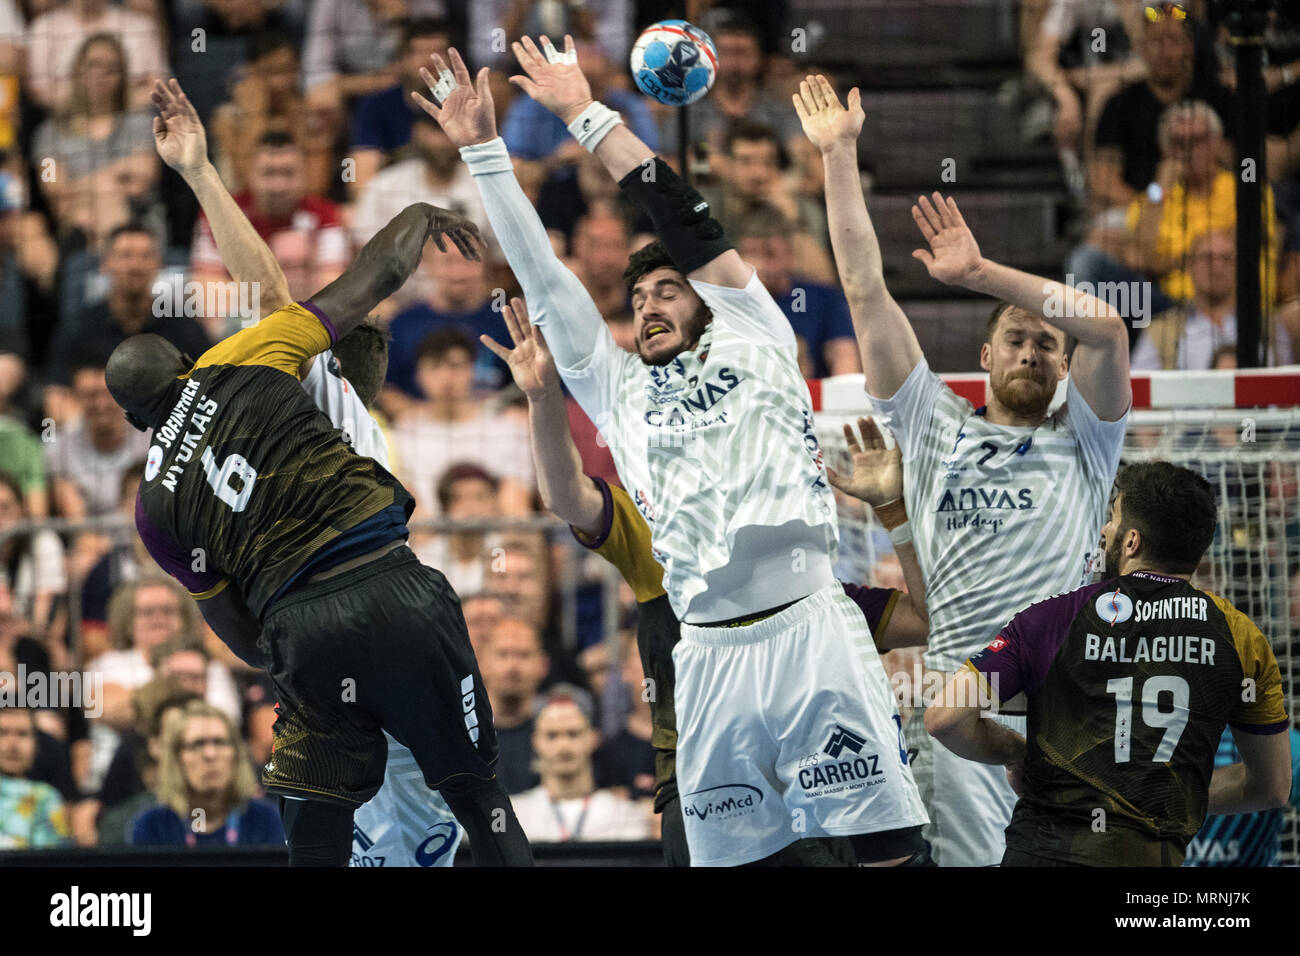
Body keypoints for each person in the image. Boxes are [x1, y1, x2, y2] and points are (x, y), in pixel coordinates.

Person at [422, 41, 927, 867]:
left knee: (889, 856)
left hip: (812, 633)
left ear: (708, 300)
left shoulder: (758, 335)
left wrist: (586, 115)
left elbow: (689, 220)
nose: (649, 304)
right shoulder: (616, 387)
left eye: (668, 291)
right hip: (709, 657)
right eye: (638, 297)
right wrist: (484, 152)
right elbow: (546, 281)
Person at [105, 78, 531, 867]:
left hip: (310, 633)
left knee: (360, 841)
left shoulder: (342, 427)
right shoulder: (292, 370)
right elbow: (269, 289)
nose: (374, 340)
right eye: (365, 336)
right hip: (385, 604)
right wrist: (199, 172)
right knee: (471, 804)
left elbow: (223, 609)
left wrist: (284, 658)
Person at [799, 74, 1131, 866]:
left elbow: (1110, 332)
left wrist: (983, 276)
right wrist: (840, 154)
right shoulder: (932, 420)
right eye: (1015, 338)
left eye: (1046, 342)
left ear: (1061, 367)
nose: (1032, 349)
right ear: (983, 358)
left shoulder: (1085, 438)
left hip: (1068, 696)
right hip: (962, 703)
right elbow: (864, 289)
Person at [485, 295, 936, 865]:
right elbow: (564, 497)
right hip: (703, 783)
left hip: (817, 781)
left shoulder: (814, 594)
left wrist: (893, 511)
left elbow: (924, 620)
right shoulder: (656, 529)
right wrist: (544, 396)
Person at [926, 462, 1293, 866]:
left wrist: (1018, 752)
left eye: (1112, 518)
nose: (1104, 530)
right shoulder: (1241, 637)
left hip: (1039, 851)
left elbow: (945, 717)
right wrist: (1153, 799)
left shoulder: (1049, 619)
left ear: (1132, 541)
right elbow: (1272, 787)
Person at [129, 699, 283, 848]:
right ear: (176, 758)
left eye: (220, 742)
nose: (210, 754)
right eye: (197, 744)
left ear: (236, 754)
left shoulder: (268, 820)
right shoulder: (152, 826)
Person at [509, 684, 653, 842]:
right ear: (535, 742)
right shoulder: (514, 816)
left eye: (573, 734)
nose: (563, 746)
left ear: (593, 738)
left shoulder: (627, 815)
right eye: (552, 735)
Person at [1132, 229, 1293, 369]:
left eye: (1226, 258)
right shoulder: (1161, 330)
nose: (1217, 265)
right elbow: (1140, 390)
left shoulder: (1269, 326)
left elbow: (1286, 389)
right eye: (1207, 257)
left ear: (1240, 266)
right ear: (1190, 265)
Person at [0, 706, 70, 848]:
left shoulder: (47, 797)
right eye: (2, 733)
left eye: (22, 734)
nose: (13, 744)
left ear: (36, 744)